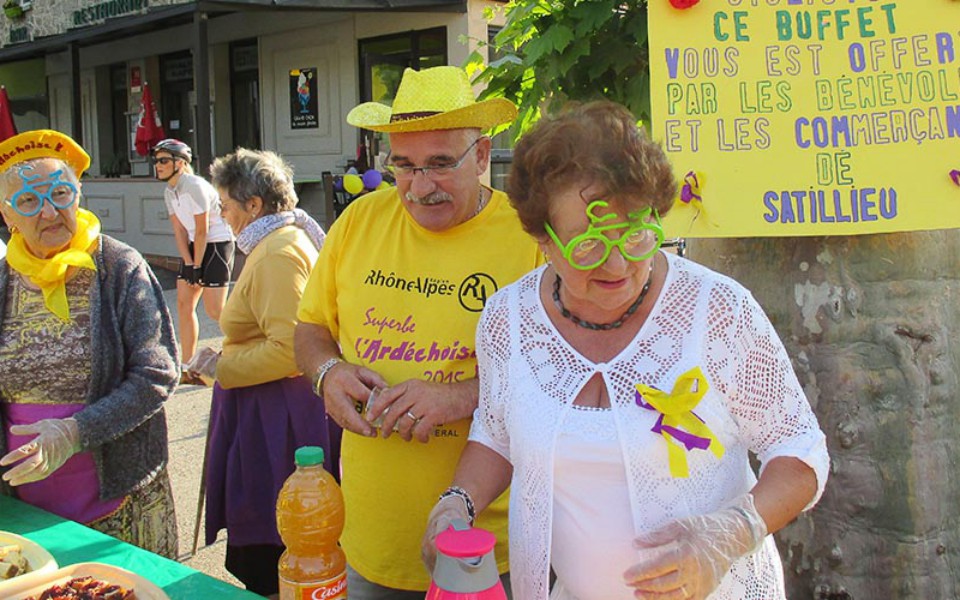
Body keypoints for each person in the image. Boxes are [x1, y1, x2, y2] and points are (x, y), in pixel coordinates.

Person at [422, 101, 831, 600]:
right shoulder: (510, 320)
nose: (618, 264)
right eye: (588, 245)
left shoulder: (716, 311)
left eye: (637, 235)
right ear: (542, 241)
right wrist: (457, 501)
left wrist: (733, 532)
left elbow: (800, 452)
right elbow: (498, 434)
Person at [294, 65, 544, 597]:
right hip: (369, 538)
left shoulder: (530, 240)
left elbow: (570, 377)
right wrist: (327, 373)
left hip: (490, 544)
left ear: (481, 155)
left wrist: (460, 398)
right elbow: (311, 328)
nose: (419, 187)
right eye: (403, 166)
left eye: (439, 164)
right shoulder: (359, 221)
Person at [0, 130, 179, 557]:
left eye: (60, 194)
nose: (48, 212)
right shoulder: (3, 277)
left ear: (79, 195)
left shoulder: (119, 267)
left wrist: (73, 433)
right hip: (24, 507)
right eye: (28, 201)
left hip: (119, 502)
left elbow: (156, 373)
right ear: (7, 215)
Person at [188, 148, 341, 597]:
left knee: (275, 543)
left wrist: (223, 366)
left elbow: (293, 351)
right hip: (269, 406)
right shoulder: (276, 240)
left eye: (226, 205)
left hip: (279, 416)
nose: (222, 214)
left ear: (254, 205)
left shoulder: (276, 251)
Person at [151, 138, 234, 380]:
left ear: (181, 163)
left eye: (164, 160)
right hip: (194, 246)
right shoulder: (170, 191)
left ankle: (243, 352)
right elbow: (180, 231)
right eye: (156, 161)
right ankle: (187, 365)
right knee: (184, 304)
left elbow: (202, 230)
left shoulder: (194, 185)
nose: (158, 165)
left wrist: (198, 267)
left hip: (216, 243)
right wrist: (188, 264)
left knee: (215, 310)